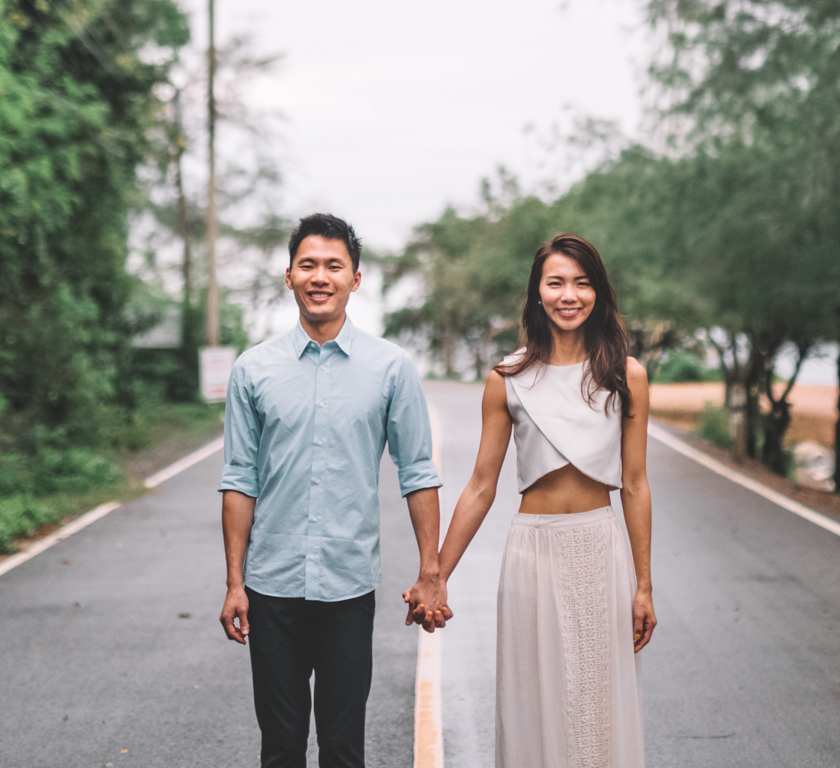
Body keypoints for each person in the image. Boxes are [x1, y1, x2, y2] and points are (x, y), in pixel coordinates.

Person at [217, 212, 448, 768]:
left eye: (333, 266)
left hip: (348, 588)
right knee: (281, 748)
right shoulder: (254, 370)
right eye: (308, 265)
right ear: (289, 276)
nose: (320, 276)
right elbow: (239, 479)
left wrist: (430, 572)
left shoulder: (391, 368)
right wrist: (233, 582)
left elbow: (417, 472)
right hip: (271, 588)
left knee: (344, 750)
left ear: (356, 278)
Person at [432, 233, 655, 768]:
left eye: (581, 283)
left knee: (595, 704)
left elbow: (636, 484)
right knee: (536, 701)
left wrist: (643, 584)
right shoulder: (508, 379)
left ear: (598, 293)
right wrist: (437, 574)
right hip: (532, 553)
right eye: (555, 283)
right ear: (537, 293)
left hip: (600, 548)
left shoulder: (626, 375)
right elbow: (481, 486)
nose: (568, 294)